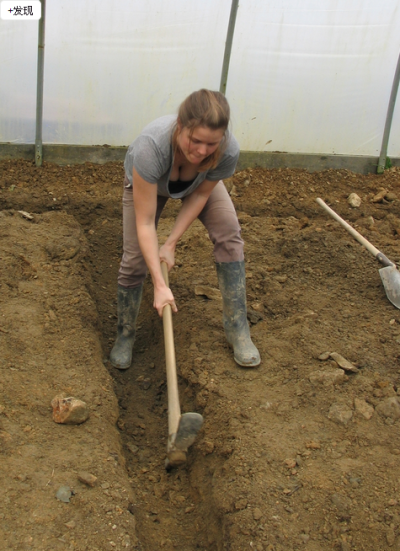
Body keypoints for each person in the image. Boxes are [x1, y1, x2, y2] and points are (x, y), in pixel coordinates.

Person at [110, 89, 260, 370]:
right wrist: (160, 284)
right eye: (195, 140)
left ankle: (238, 330)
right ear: (180, 126)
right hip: (148, 185)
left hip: (196, 186)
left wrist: (171, 243)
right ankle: (125, 335)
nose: (202, 151)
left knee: (229, 234)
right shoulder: (150, 147)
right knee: (135, 259)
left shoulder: (227, 150)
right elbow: (144, 223)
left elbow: (200, 196)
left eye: (211, 143)